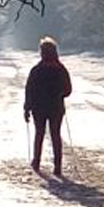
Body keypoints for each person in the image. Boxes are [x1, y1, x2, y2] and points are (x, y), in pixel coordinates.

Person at [24, 37, 73, 176]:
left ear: (41, 52)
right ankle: (57, 166)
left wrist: (27, 108)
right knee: (55, 134)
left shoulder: (36, 70)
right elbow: (68, 90)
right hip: (56, 107)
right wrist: (60, 94)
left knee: (39, 134)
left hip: (38, 107)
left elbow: (29, 90)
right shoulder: (61, 69)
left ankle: (36, 161)